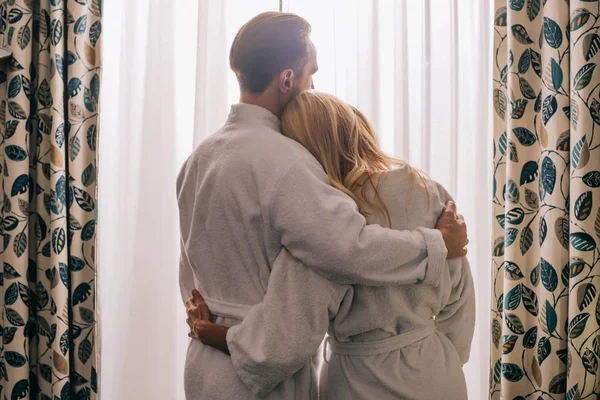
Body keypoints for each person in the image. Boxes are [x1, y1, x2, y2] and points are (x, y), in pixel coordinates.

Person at [177, 12, 468, 400]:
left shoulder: (199, 158)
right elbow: (348, 249)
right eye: (310, 73)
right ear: (286, 80)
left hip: (203, 365)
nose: (313, 85)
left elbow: (190, 271)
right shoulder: (287, 162)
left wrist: (208, 328)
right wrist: (436, 246)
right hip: (259, 373)